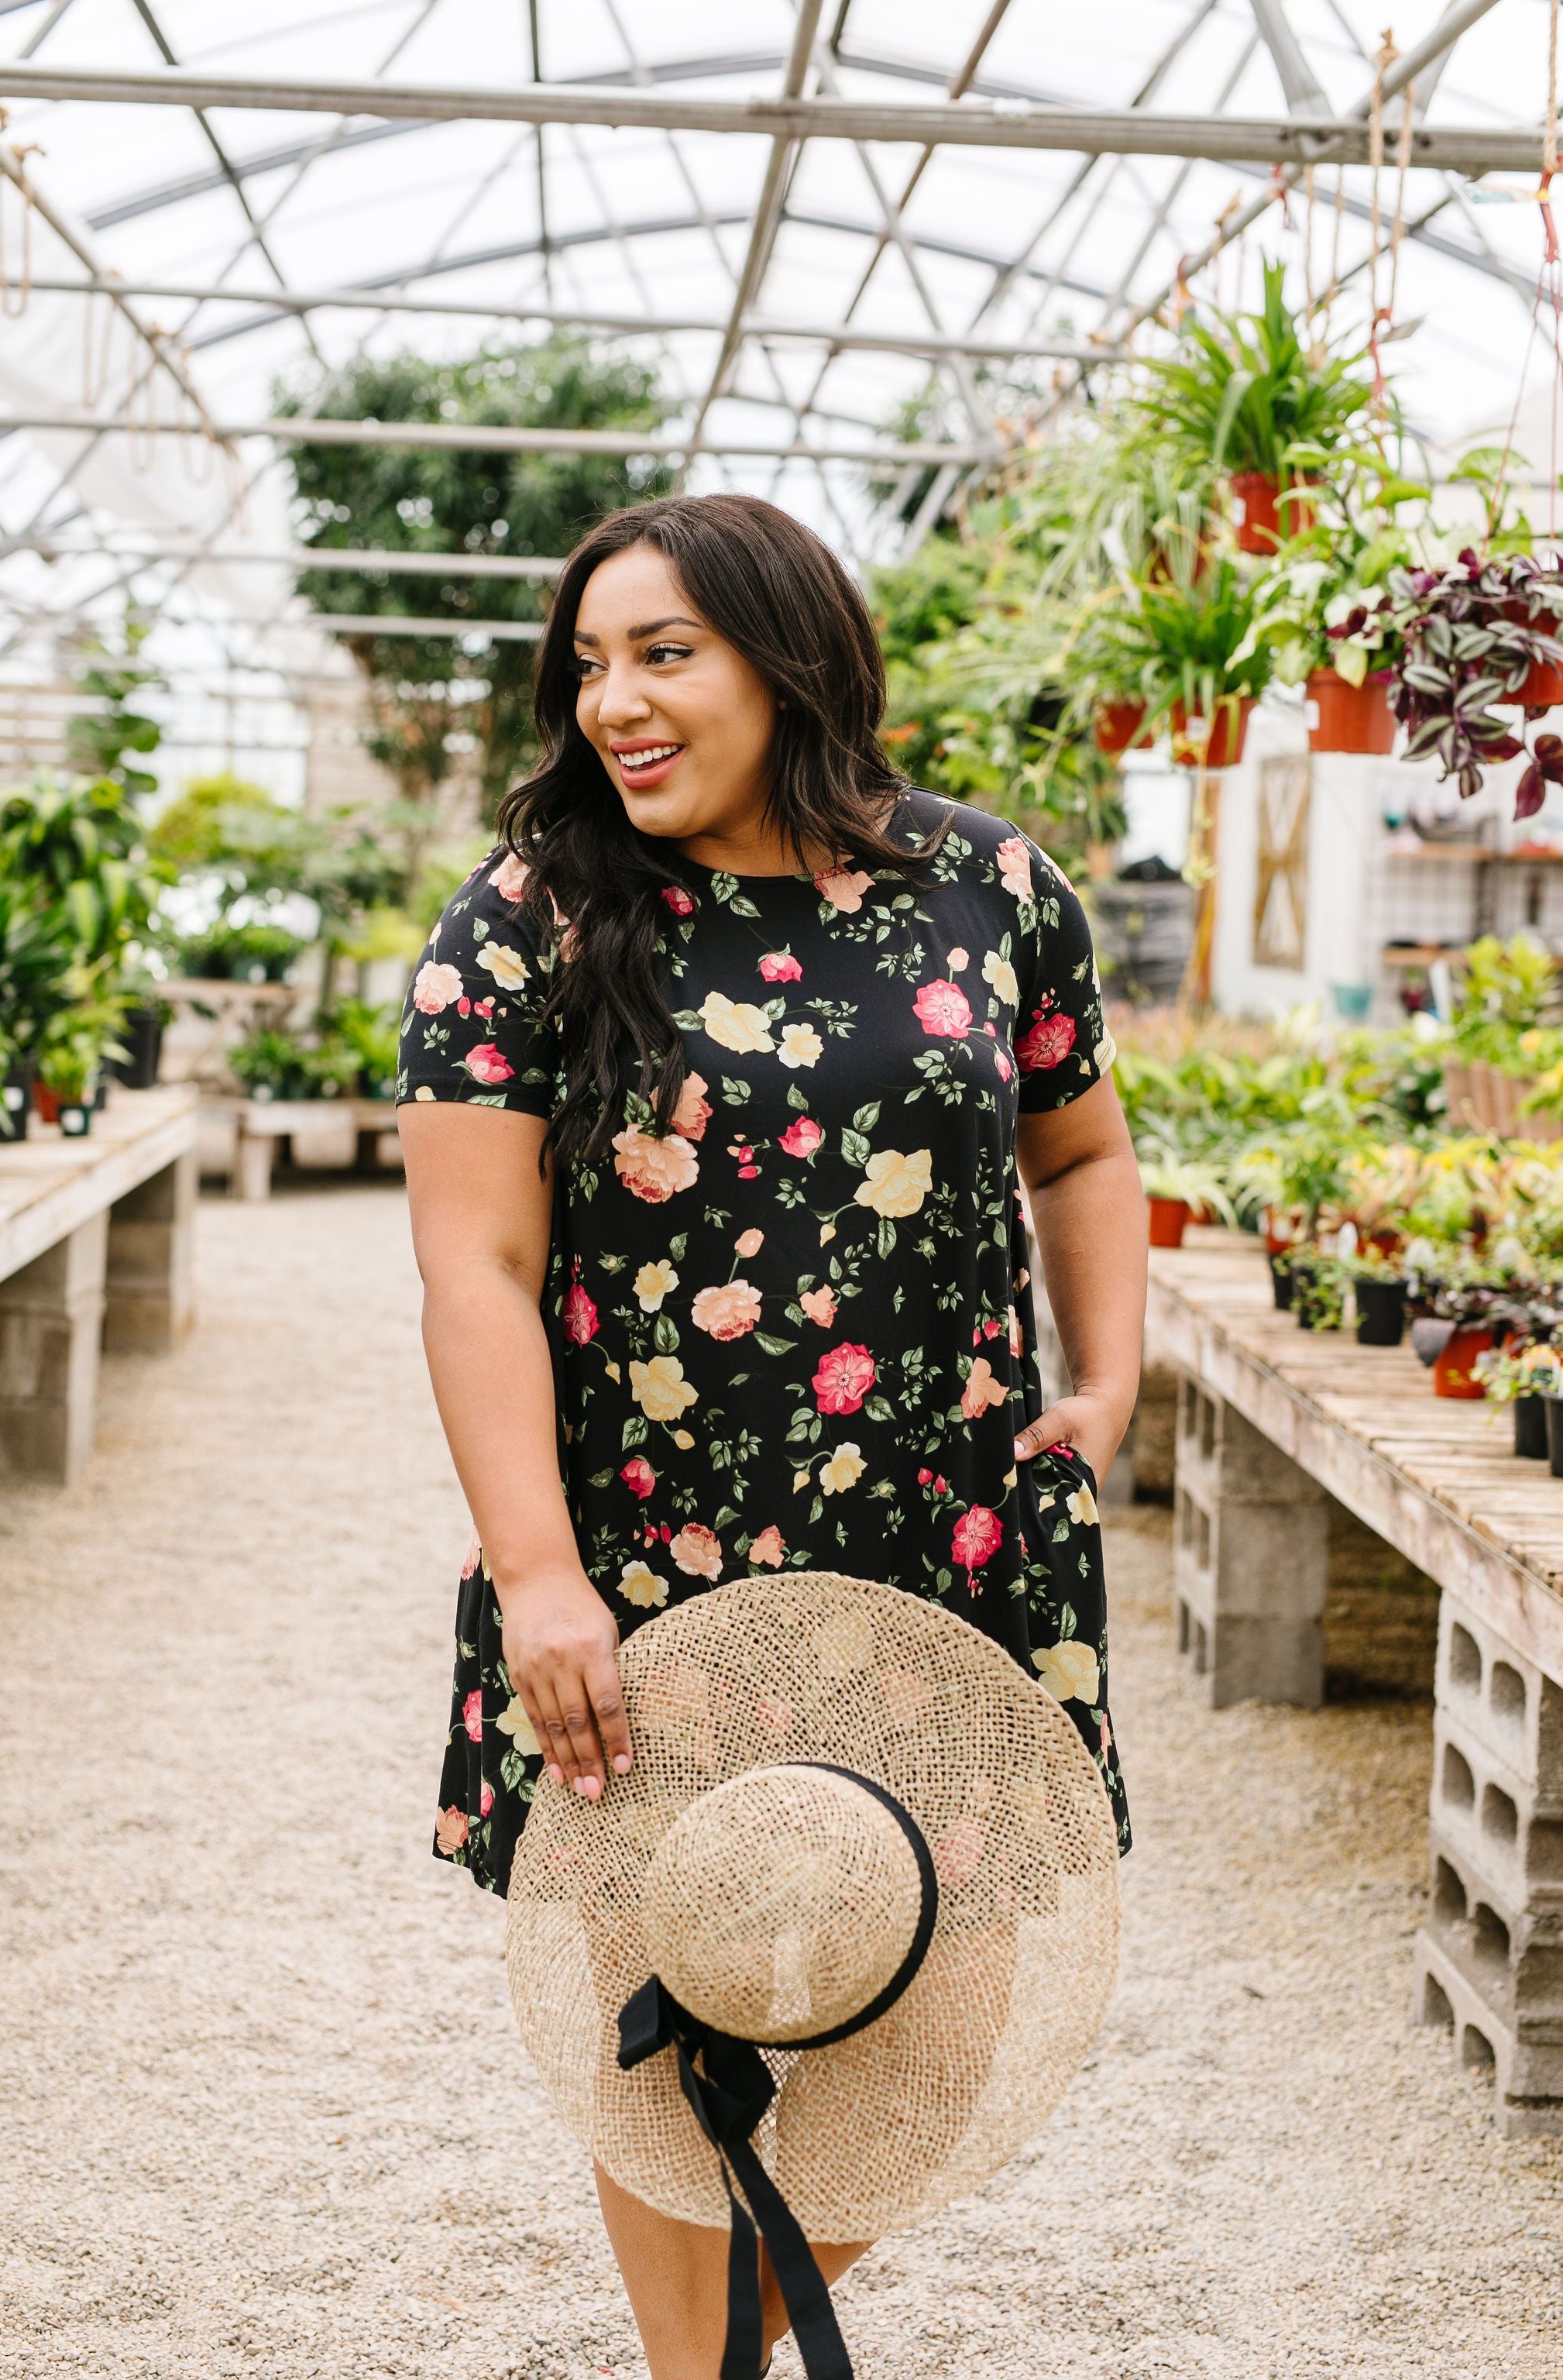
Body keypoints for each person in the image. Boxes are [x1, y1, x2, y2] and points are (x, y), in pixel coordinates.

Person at [396, 490, 1148, 2380]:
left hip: (956, 1544)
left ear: (789, 655)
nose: (614, 707)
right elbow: (474, 1266)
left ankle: (738, 2355)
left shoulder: (995, 891)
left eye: (665, 654)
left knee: (947, 1982)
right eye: (588, 667)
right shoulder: (529, 921)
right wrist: (536, 1572)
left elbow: (1081, 1142)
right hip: (648, 1551)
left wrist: (1112, 1372)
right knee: (674, 1997)